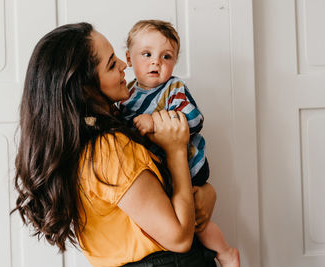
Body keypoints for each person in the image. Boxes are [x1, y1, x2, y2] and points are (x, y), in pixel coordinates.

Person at [11, 22, 218, 266]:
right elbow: (179, 238)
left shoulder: (82, 144)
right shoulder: (109, 149)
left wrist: (206, 192)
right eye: (111, 64)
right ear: (85, 88)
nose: (123, 65)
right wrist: (175, 151)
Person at [119, 20, 239, 267]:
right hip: (160, 170)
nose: (156, 62)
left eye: (166, 56)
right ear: (129, 59)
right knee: (173, 219)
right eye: (147, 54)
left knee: (196, 222)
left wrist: (155, 121)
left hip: (189, 165)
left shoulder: (173, 88)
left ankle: (225, 252)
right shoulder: (126, 96)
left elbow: (195, 118)